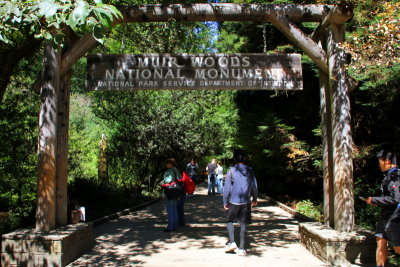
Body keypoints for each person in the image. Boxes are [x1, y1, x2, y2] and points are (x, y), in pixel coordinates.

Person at [365, 148, 400, 267]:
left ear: (387, 161)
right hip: (385, 215)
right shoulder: (388, 176)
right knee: (380, 241)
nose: (379, 164)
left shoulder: (396, 176)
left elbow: (395, 198)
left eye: (380, 160)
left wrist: (374, 200)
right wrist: (377, 202)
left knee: (398, 248)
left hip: (394, 217)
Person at [223, 149, 258, 256]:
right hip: (246, 202)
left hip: (233, 201)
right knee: (243, 224)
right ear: (245, 158)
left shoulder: (231, 171)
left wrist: (225, 201)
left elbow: (227, 188)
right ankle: (242, 248)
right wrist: (255, 199)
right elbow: (254, 186)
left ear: (234, 158)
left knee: (229, 220)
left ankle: (232, 242)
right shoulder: (250, 171)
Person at [161, 158, 184, 232]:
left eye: (167, 163)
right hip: (176, 192)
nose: (166, 165)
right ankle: (174, 226)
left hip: (169, 192)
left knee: (170, 210)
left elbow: (168, 180)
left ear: (170, 164)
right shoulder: (176, 170)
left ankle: (170, 227)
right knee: (174, 210)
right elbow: (180, 178)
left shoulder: (170, 171)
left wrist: (162, 182)